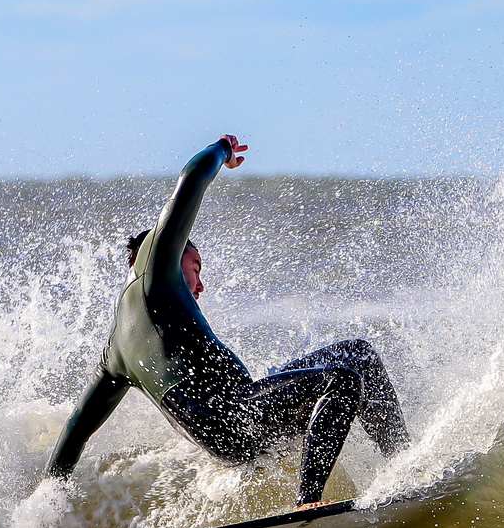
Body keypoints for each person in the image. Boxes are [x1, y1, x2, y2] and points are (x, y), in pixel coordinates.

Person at [44, 134, 411, 507]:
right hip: (234, 421)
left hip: (244, 412)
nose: (200, 285)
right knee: (341, 381)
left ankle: (406, 467)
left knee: (358, 354)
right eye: (196, 267)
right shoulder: (155, 272)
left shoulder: (116, 352)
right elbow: (192, 178)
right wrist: (223, 149)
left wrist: (45, 501)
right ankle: (307, 503)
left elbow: (76, 429)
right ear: (164, 252)